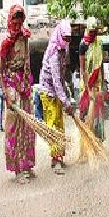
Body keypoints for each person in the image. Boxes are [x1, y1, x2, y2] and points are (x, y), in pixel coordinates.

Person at [0, 4, 36, 184]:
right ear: (10, 19)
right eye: (15, 18)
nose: (17, 22)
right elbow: (0, 71)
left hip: (24, 83)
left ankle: (27, 164)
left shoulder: (25, 36)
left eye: (20, 18)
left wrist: (28, 81)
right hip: (11, 83)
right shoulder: (5, 41)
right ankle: (17, 169)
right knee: (15, 127)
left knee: (27, 124)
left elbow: (27, 59)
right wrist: (7, 93)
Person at [39, 19, 73, 174]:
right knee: (53, 125)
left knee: (60, 125)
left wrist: (66, 94)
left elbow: (62, 74)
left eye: (68, 39)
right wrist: (65, 100)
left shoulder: (63, 49)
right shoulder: (53, 51)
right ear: (59, 34)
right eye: (64, 38)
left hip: (57, 91)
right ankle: (55, 159)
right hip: (48, 91)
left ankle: (60, 156)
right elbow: (55, 78)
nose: (66, 41)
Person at [79, 17, 105, 140]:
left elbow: (100, 65)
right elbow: (83, 69)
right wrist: (87, 89)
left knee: (98, 114)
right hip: (87, 85)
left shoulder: (98, 43)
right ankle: (87, 142)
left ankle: (98, 141)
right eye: (92, 31)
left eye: (96, 32)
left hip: (98, 83)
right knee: (86, 113)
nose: (94, 34)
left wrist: (103, 81)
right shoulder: (83, 45)